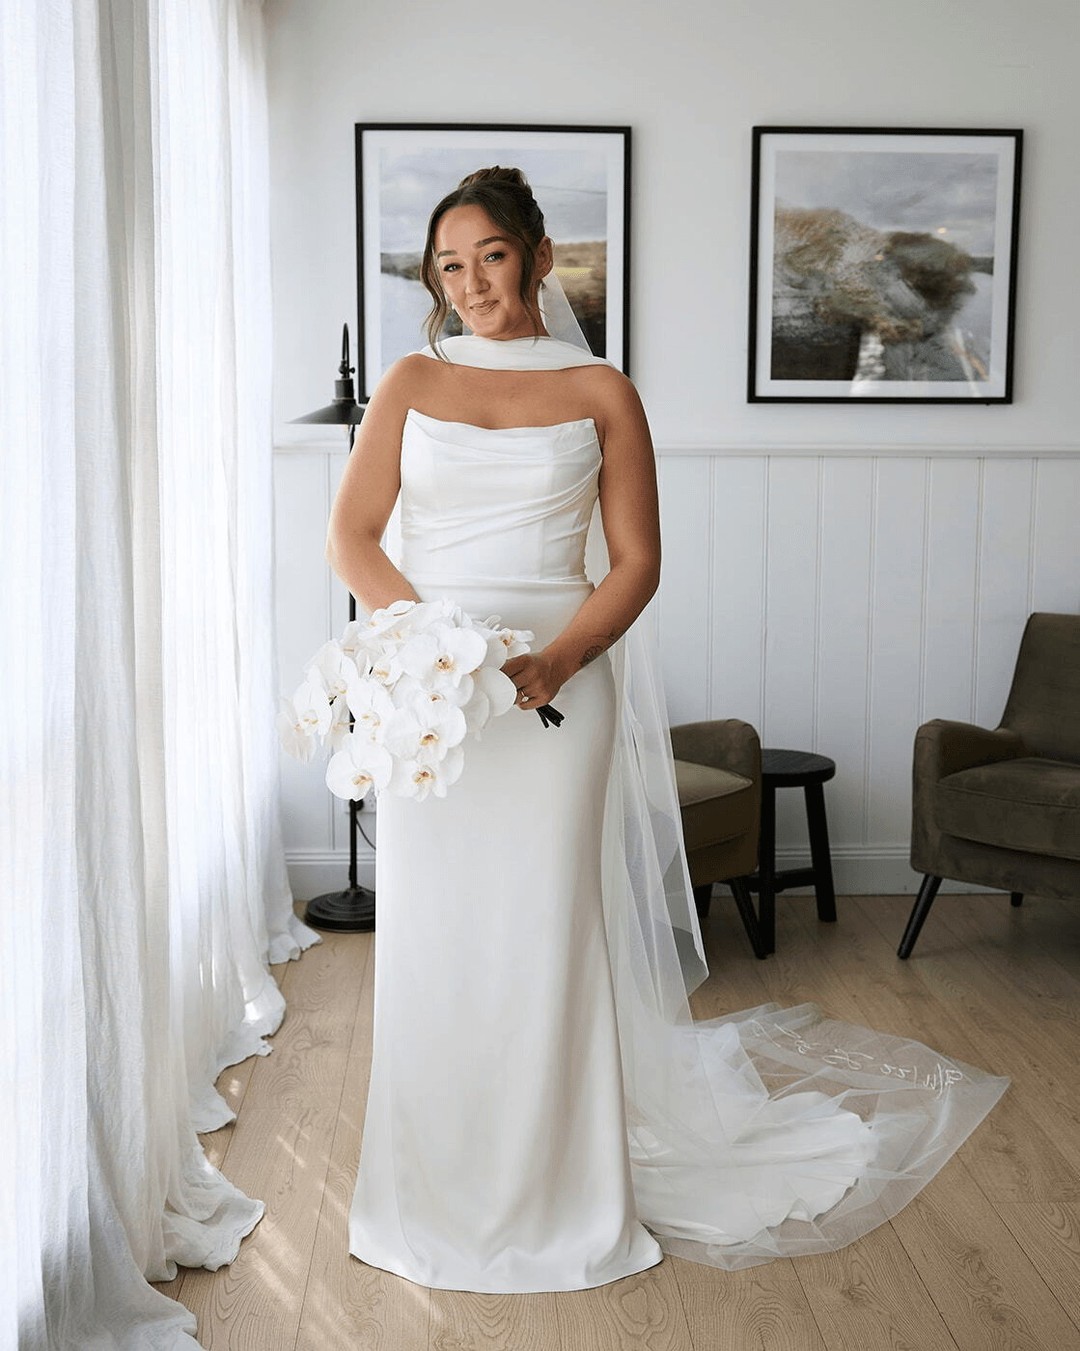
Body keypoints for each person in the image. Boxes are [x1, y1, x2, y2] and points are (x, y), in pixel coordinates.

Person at [325, 167, 1007, 1294]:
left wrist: (553, 660)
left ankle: (561, 1195)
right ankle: (428, 1188)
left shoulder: (602, 390)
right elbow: (353, 537)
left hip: (563, 684)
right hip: (435, 694)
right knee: (438, 936)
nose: (472, 283)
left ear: (541, 258)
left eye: (491, 255)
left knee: (545, 933)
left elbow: (637, 564)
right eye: (450, 265)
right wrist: (432, 652)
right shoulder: (409, 379)